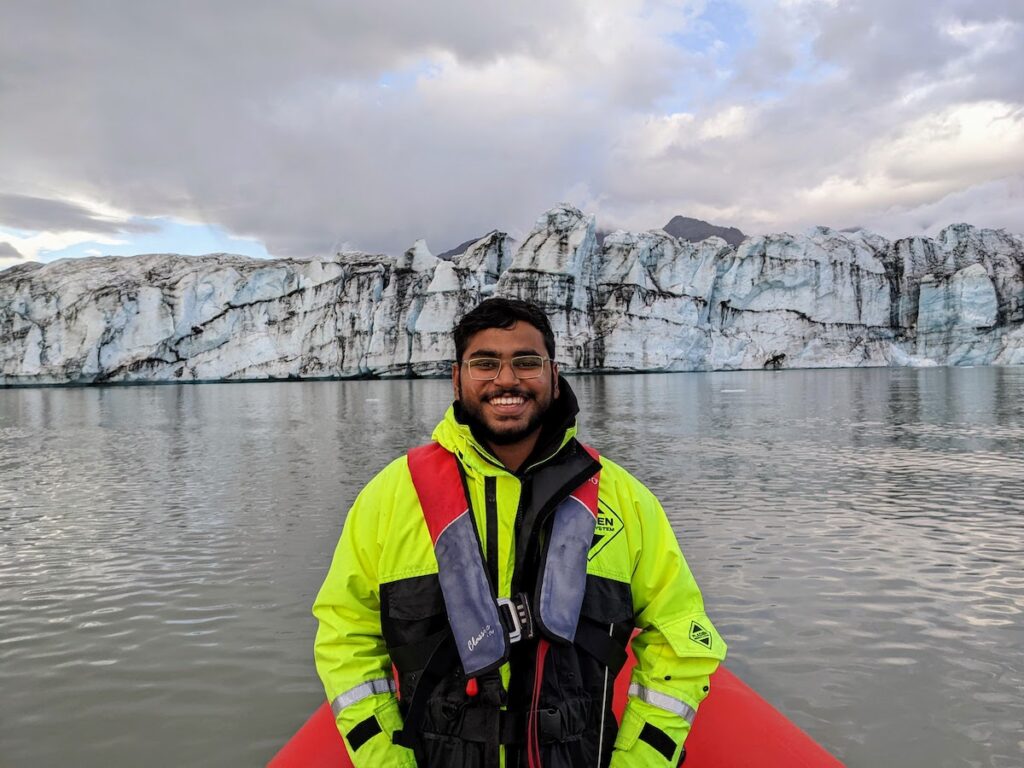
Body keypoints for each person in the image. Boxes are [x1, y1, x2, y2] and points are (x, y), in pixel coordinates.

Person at [313, 297, 726, 768]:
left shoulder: (626, 500)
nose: (506, 380)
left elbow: (681, 638)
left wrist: (639, 760)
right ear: (456, 377)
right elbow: (346, 636)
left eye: (526, 362)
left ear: (553, 375)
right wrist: (386, 759)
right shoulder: (389, 498)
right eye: (485, 363)